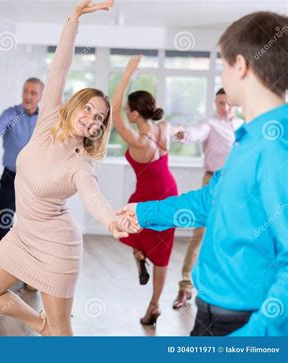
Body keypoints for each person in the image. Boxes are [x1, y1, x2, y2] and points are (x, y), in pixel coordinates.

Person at [117, 11, 288, 336]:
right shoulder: (250, 138)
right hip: (211, 313)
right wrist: (141, 212)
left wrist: (254, 338)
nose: (222, 74)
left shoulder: (277, 145)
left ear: (241, 66)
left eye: (222, 65)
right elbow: (211, 200)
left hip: (242, 325)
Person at [0, 0, 129, 336]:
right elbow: (60, 66)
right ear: (74, 106)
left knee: (61, 333)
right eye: (88, 108)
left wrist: (112, 222)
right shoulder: (48, 120)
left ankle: (51, 327)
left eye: (99, 118)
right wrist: (74, 18)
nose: (92, 118)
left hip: (57, 247)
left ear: (100, 128)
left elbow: (93, 197)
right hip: (23, 236)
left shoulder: (81, 163)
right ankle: (37, 322)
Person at [112, 55, 178, 325]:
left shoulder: (138, 141)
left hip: (147, 199)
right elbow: (178, 131)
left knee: (123, 226)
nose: (126, 112)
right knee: (162, 254)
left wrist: (128, 73)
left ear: (135, 113)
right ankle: (154, 306)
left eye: (130, 109)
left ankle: (139, 256)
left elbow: (114, 110)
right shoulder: (164, 127)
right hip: (169, 194)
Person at [172, 88, 243, 309]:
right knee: (200, 233)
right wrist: (183, 134)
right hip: (213, 183)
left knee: (235, 236)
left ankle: (227, 291)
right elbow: (195, 133)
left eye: (229, 103)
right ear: (215, 103)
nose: (225, 107)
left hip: (240, 187)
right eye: (221, 103)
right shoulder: (209, 124)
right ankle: (185, 287)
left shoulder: (244, 125)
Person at [0, 78, 44, 252]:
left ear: (40, 96)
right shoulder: (11, 114)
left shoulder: (45, 119)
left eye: (33, 93)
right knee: (4, 221)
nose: (28, 96)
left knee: (34, 225)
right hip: (11, 177)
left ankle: (29, 267)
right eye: (25, 91)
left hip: (36, 181)